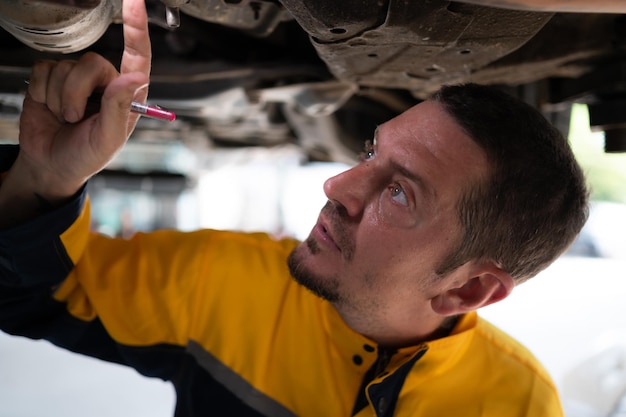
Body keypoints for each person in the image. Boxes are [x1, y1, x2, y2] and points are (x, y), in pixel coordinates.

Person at [0, 0, 588, 416]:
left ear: (467, 290)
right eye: (369, 152)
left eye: (399, 191)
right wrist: (42, 181)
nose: (338, 186)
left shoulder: (520, 404)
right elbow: (27, 299)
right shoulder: (226, 280)